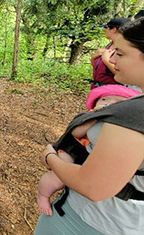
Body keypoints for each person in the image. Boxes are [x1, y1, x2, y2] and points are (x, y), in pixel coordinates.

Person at [36, 18, 144, 234]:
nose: (112, 59)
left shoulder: (135, 115)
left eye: (121, 54)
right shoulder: (134, 106)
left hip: (91, 221)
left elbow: (93, 186)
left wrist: (50, 158)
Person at [37, 84, 141, 216]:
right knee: (58, 177)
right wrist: (95, 118)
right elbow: (76, 131)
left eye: (118, 103)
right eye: (105, 99)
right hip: (73, 150)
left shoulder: (125, 125)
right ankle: (43, 196)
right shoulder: (89, 116)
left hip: (94, 163)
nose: (110, 103)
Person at [90, 17, 130, 89]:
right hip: (97, 89)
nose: (105, 30)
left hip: (113, 93)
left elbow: (125, 77)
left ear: (114, 30)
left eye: (107, 28)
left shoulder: (125, 49)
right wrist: (94, 57)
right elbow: (99, 70)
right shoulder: (109, 46)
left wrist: (106, 60)